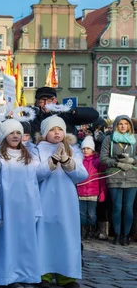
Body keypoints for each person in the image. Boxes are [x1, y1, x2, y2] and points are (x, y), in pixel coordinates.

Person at [36, 116, 87, 288]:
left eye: (59, 129)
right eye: (52, 129)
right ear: (45, 133)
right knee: (45, 233)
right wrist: (52, 161)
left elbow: (82, 175)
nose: (56, 132)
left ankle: (67, 274)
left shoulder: (72, 150)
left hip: (67, 200)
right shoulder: (38, 150)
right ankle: (44, 272)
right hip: (45, 197)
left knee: (67, 233)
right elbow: (35, 174)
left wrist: (67, 161)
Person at [0, 119, 42, 288]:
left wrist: (37, 208)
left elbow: (34, 184)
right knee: (8, 241)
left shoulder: (29, 157)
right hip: (7, 206)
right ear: (3, 135)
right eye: (11, 132)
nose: (15, 136)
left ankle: (26, 274)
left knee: (26, 242)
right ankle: (8, 276)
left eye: (18, 133)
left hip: (26, 206)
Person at [99, 115, 137, 246]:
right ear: (116, 125)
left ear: (129, 126)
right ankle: (117, 234)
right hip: (115, 177)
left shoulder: (135, 139)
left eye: (126, 124)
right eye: (120, 123)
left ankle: (126, 235)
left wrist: (132, 160)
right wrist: (117, 163)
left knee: (128, 208)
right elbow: (103, 158)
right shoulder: (109, 139)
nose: (123, 126)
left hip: (132, 178)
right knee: (116, 207)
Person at [29, 87, 98, 139]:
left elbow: (94, 115)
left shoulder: (64, 113)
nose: (46, 103)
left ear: (55, 100)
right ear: (37, 102)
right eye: (42, 100)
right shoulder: (34, 117)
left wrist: (74, 111)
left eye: (49, 100)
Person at [77, 136, 106, 239]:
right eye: (83, 148)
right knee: (82, 214)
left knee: (92, 214)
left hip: (93, 192)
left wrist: (102, 191)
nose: (85, 150)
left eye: (87, 148)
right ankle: (83, 230)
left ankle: (91, 229)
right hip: (81, 192)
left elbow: (102, 177)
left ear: (92, 150)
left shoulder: (97, 161)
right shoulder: (79, 160)